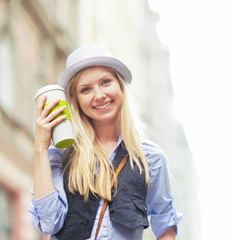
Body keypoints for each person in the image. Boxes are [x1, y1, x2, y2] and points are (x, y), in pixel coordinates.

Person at [29, 45, 182, 240]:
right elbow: (47, 223)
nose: (99, 95)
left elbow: (165, 227)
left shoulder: (150, 158)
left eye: (105, 82)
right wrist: (41, 148)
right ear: (76, 100)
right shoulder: (61, 154)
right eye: (85, 89)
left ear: (120, 86)